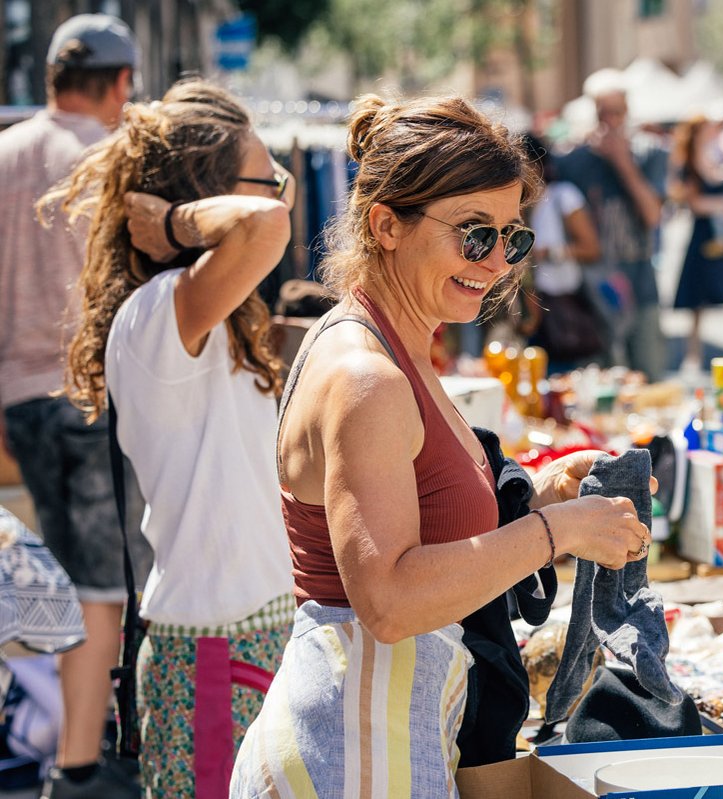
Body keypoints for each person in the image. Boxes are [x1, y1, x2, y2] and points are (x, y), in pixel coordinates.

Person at [229, 94, 651, 795]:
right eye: (473, 233)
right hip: (354, 749)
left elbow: (422, 523)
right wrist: (555, 531)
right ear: (386, 224)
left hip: (376, 732)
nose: (495, 262)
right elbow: (390, 597)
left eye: (512, 238)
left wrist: (545, 492)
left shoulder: (387, 344)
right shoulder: (368, 374)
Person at [47, 79, 298, 798]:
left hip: (242, 634)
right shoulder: (160, 313)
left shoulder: (200, 316)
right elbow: (263, 227)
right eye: (267, 180)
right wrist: (176, 224)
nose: (283, 196)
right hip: (218, 646)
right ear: (209, 195)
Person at [0, 15, 151, 798]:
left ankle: (64, 746)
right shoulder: (99, 159)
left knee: (60, 577)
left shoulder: (5, 153)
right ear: (121, 83)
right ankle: (84, 765)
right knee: (104, 583)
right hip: (85, 394)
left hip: (18, 400)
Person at [559, 70, 670, 380]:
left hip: (641, 280)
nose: (610, 121)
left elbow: (653, 215)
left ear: (628, 111)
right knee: (601, 376)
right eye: (602, 113)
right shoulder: (573, 161)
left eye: (617, 112)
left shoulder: (651, 153)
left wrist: (623, 162)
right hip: (593, 287)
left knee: (648, 372)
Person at [670, 116, 723, 369]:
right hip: (706, 232)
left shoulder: (720, 157)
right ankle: (693, 353)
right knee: (699, 295)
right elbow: (693, 203)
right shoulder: (689, 164)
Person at [521, 133, 605, 373]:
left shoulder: (562, 196)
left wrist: (548, 253)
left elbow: (591, 249)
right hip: (527, 312)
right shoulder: (515, 204)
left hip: (561, 309)